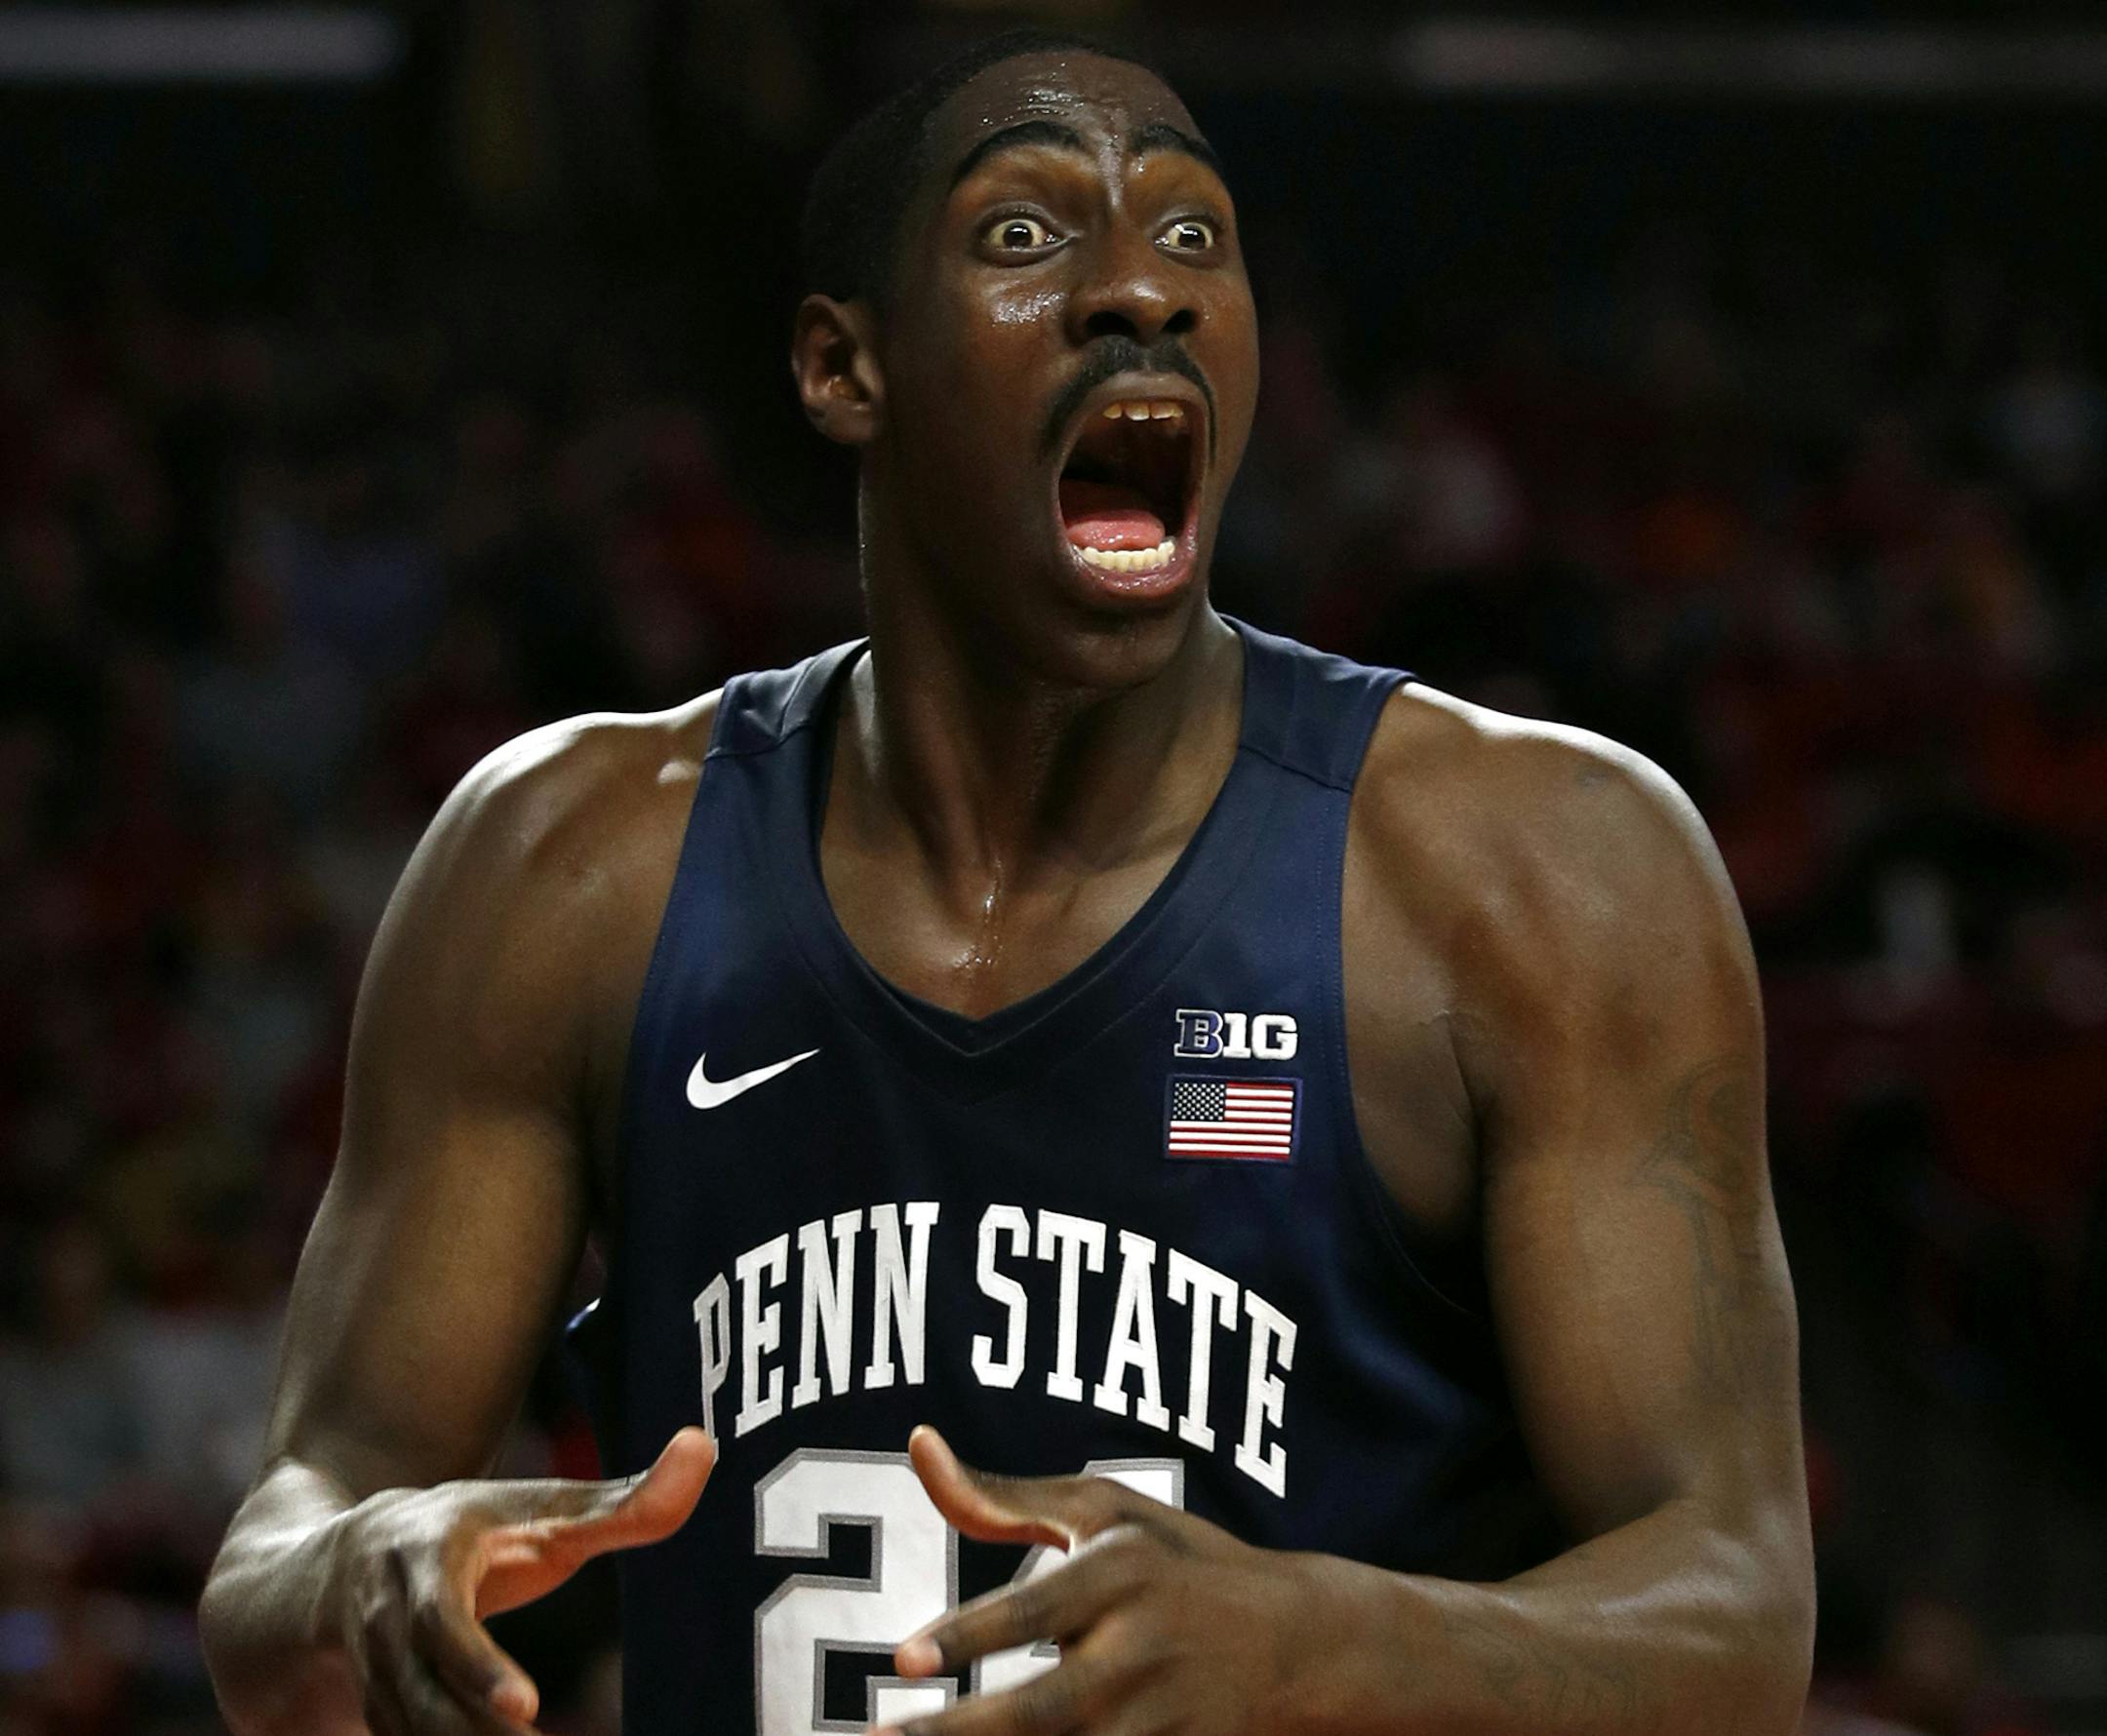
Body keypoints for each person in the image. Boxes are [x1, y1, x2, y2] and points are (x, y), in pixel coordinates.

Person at [199, 28, 1814, 1736]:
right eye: (1029, 234)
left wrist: (1325, 1646)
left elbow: (1732, 1625)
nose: (1145, 292)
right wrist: (365, 1564)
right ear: (845, 369)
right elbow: (281, 1558)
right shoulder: (563, 865)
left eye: (1196, 236)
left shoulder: (1542, 870)